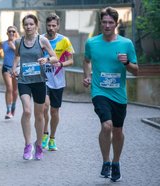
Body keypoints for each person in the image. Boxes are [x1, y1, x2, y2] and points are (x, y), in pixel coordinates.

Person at [82, 7, 138, 182]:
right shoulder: (92, 43)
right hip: (99, 91)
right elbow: (86, 60)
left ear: (116, 23)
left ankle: (115, 163)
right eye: (104, 22)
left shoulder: (126, 44)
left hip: (119, 94)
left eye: (110, 22)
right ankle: (106, 161)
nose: (107, 25)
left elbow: (136, 71)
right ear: (100, 23)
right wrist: (86, 76)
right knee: (107, 126)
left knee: (118, 130)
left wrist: (127, 62)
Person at [11, 14, 58, 160]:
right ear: (23, 26)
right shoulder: (19, 41)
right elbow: (17, 56)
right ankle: (27, 145)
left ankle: (38, 144)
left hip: (39, 81)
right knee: (26, 111)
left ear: (36, 25)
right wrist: (14, 68)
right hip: (24, 80)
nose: (28, 27)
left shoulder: (42, 40)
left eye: (31, 24)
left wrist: (47, 59)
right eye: (26, 24)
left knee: (39, 115)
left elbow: (55, 57)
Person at [42, 13, 74, 151]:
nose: (51, 28)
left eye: (54, 26)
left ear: (58, 26)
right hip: (43, 79)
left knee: (54, 111)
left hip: (58, 81)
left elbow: (72, 60)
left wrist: (61, 64)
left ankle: (52, 138)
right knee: (44, 106)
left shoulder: (64, 41)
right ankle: (44, 133)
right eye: (49, 25)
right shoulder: (41, 39)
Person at [0, 26, 19, 119]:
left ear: (16, 33)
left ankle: (13, 107)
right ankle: (8, 110)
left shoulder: (19, 43)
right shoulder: (3, 43)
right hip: (6, 68)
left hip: (16, 69)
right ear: (7, 33)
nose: (11, 33)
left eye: (13, 31)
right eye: (9, 31)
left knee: (15, 90)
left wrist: (14, 48)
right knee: (9, 88)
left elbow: (21, 54)